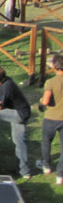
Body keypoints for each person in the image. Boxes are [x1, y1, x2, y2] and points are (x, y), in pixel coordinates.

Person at [37, 54, 63, 184]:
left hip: (51, 118)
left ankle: (46, 166)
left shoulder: (51, 82)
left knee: (46, 142)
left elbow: (46, 101)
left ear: (54, 66)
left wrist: (41, 101)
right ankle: (60, 176)